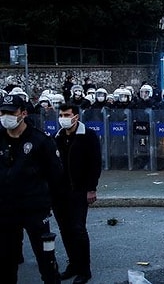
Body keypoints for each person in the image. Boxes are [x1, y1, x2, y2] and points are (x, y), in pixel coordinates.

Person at [0, 94, 63, 284]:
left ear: (23, 113)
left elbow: (55, 175)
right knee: (6, 260)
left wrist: (48, 202)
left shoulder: (40, 140)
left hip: (35, 210)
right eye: (3, 112)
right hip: (5, 211)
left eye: (11, 112)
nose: (6, 116)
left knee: (46, 259)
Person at [53, 103, 102, 284]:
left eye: (67, 115)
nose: (63, 118)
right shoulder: (57, 137)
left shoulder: (88, 136)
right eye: (61, 115)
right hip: (59, 191)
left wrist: (91, 188)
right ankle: (72, 264)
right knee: (65, 230)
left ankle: (84, 269)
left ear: (76, 117)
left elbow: (95, 164)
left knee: (78, 229)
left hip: (79, 190)